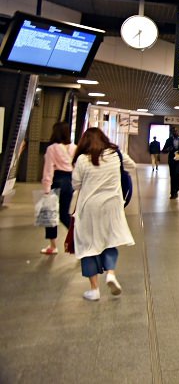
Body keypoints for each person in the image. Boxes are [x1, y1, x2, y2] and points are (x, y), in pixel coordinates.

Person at [71, 128, 136, 301]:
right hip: (113, 205)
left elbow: (76, 184)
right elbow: (132, 165)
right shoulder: (115, 154)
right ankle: (111, 274)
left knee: (88, 246)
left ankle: (94, 289)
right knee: (110, 240)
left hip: (90, 207)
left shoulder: (83, 160)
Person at [40, 122, 76, 255]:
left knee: (49, 214)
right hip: (70, 181)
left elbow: (48, 170)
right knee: (64, 213)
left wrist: (46, 188)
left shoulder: (52, 148)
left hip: (57, 180)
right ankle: (78, 239)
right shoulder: (74, 147)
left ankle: (53, 246)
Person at [163, 127, 179, 199]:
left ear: (178, 132)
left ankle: (177, 187)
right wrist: (168, 149)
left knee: (177, 173)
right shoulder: (169, 140)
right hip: (172, 160)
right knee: (172, 176)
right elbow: (164, 150)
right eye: (173, 131)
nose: (175, 132)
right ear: (171, 132)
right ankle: (173, 193)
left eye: (176, 131)